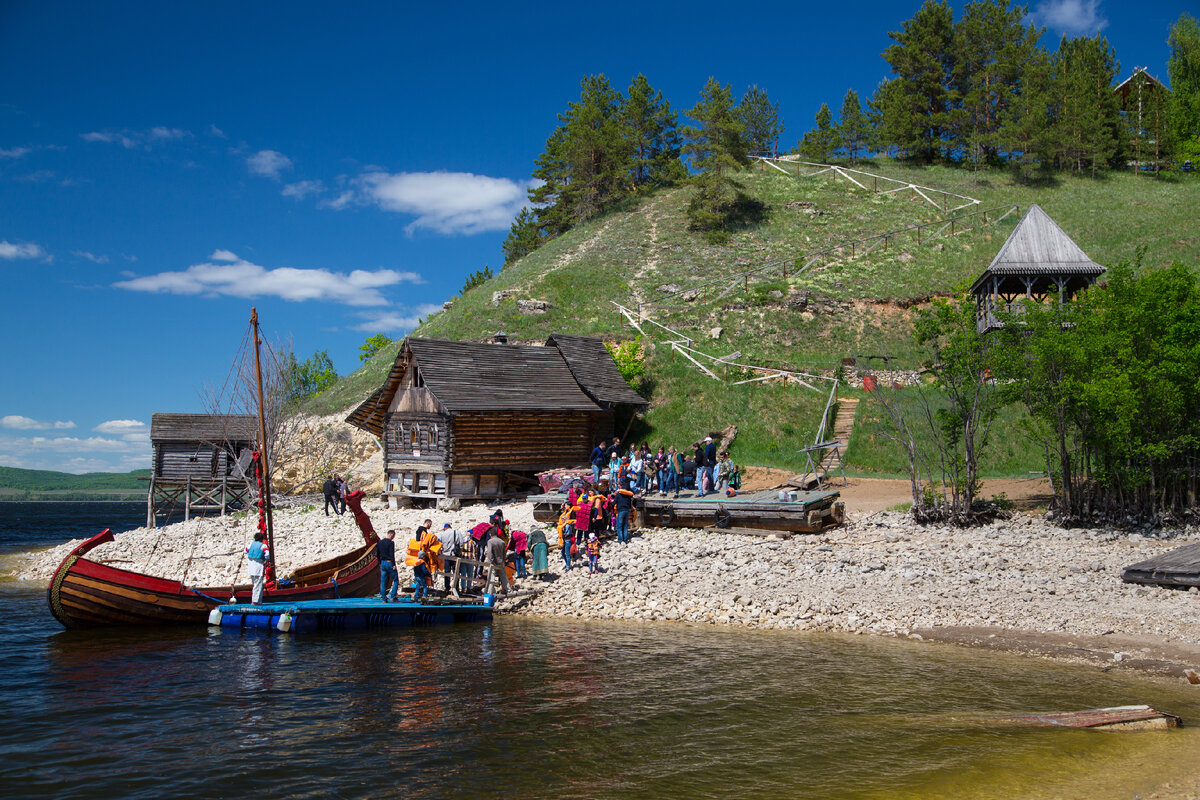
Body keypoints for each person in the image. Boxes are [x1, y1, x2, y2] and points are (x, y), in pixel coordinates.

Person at [246, 531, 271, 604]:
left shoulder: (251, 544)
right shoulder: (263, 546)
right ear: (262, 539)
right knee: (258, 583)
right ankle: (256, 601)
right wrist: (266, 560)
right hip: (259, 566)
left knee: (254, 583)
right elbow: (267, 554)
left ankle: (255, 600)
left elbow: (245, 551)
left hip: (251, 566)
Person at [485, 528, 510, 595]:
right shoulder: (501, 541)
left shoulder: (490, 541)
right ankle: (509, 590)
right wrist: (503, 561)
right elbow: (504, 553)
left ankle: (490, 592)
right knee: (504, 577)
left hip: (493, 563)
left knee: (491, 578)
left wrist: (491, 561)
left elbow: (489, 552)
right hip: (501, 562)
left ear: (490, 534)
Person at [378, 529, 399, 602]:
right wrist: (393, 564)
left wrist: (379, 563)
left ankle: (384, 598)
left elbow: (377, 554)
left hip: (383, 563)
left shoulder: (380, 542)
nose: (393, 537)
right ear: (391, 534)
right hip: (389, 562)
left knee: (383, 581)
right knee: (395, 580)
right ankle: (393, 597)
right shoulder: (391, 543)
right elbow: (391, 554)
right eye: (393, 536)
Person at [613, 480, 634, 544]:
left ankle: (620, 540)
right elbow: (630, 503)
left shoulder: (618, 495)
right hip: (627, 511)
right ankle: (625, 539)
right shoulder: (628, 495)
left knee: (619, 526)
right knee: (625, 526)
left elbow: (614, 503)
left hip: (621, 511)